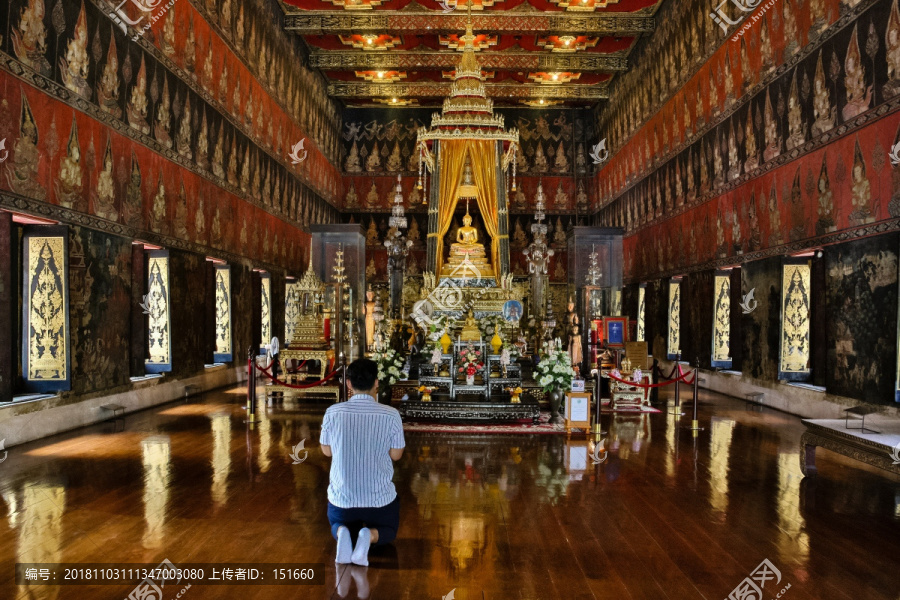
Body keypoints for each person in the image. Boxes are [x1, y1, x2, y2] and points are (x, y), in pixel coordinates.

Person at [320, 358, 405, 566]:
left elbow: (327, 451)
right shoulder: (391, 414)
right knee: (389, 531)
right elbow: (396, 455)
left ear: (348, 384)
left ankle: (342, 532)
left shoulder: (333, 412)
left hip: (343, 502)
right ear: (377, 382)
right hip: (380, 502)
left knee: (336, 522)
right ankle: (370, 536)